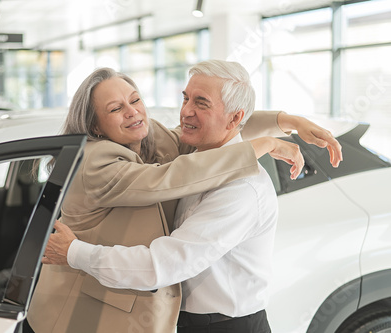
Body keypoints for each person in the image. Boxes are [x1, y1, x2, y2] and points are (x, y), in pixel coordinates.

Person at [27, 65, 342, 333]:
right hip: (77, 315)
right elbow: (173, 172)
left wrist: (288, 122)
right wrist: (263, 143)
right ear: (94, 124)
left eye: (135, 100)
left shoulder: (237, 186)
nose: (132, 111)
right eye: (115, 108)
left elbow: (207, 129)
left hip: (222, 324)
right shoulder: (99, 161)